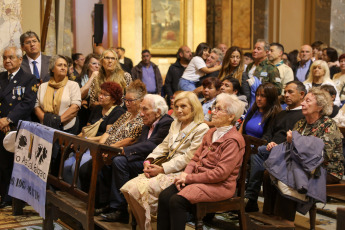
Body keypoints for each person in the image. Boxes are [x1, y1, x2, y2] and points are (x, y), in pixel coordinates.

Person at [120, 91, 209, 230]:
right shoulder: (176, 124)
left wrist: (162, 169)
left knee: (136, 190)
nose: (179, 110)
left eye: (183, 106)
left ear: (193, 107)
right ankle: (145, 227)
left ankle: (148, 226)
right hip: (164, 165)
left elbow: (189, 158)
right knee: (127, 189)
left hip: (181, 171)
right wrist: (149, 160)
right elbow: (163, 146)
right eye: (177, 106)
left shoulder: (201, 128)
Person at [156, 93, 246, 230]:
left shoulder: (233, 140)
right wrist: (184, 175)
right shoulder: (211, 132)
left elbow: (220, 174)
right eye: (214, 108)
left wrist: (189, 178)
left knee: (176, 201)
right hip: (199, 179)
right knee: (164, 196)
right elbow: (195, 159)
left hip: (220, 186)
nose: (213, 112)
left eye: (219, 109)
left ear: (231, 116)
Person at [263, 87, 344, 227]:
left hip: (327, 169)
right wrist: (277, 146)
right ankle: (273, 215)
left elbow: (322, 156)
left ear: (319, 106)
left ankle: (287, 221)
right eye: (304, 100)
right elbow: (291, 146)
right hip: (300, 163)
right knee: (269, 171)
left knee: (289, 175)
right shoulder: (301, 123)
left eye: (308, 101)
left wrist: (294, 141)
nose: (302, 104)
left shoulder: (328, 125)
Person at [99, 94, 174, 222]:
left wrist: (124, 151)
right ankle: (110, 205)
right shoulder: (148, 122)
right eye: (140, 109)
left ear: (158, 112)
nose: (141, 114)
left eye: (145, 109)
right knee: (109, 161)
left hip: (155, 164)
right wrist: (117, 152)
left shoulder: (166, 122)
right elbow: (140, 144)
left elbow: (152, 145)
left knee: (119, 161)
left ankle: (121, 210)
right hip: (142, 160)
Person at [245, 81, 306, 212]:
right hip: (270, 148)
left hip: (287, 151)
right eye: (285, 92)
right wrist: (268, 142)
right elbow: (268, 133)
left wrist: (277, 145)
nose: (286, 95)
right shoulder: (281, 113)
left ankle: (251, 197)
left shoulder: (303, 115)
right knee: (254, 151)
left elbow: (297, 139)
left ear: (301, 95)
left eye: (290, 92)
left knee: (257, 152)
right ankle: (245, 198)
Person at [77, 80, 147, 190]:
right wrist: (102, 146)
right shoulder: (126, 115)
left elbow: (130, 140)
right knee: (84, 170)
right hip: (106, 149)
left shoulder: (142, 118)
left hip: (118, 152)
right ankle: (87, 200)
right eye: (125, 100)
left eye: (130, 101)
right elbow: (109, 132)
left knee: (95, 172)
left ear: (140, 101)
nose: (127, 103)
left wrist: (109, 149)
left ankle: (98, 203)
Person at [63, 82, 125, 184]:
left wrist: (87, 140)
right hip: (85, 144)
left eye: (105, 95)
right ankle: (70, 194)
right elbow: (87, 129)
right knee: (66, 166)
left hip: (97, 147)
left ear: (114, 99)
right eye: (100, 93)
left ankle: (80, 196)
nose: (100, 97)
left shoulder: (117, 112)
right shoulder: (97, 109)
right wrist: (76, 139)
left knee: (75, 167)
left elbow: (108, 136)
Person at [0, 46, 37, 208]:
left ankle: (19, 198)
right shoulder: (0, 77)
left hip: (19, 126)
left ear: (20, 59)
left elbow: (27, 103)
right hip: (1, 127)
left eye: (11, 57)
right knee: (3, 163)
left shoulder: (29, 78)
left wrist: (9, 119)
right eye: (5, 58)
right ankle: (5, 196)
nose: (7, 61)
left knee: (18, 164)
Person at [34, 55, 81, 134]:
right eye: (60, 65)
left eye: (65, 66)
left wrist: (58, 121)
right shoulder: (43, 86)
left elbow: (75, 107)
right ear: (52, 69)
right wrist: (47, 121)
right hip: (45, 127)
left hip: (66, 127)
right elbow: (36, 106)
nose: (63, 68)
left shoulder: (73, 85)